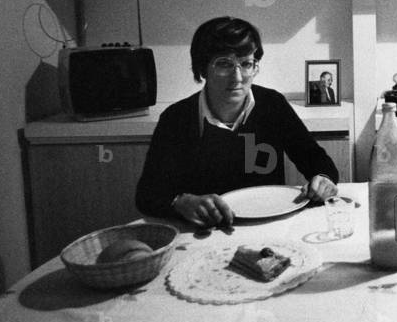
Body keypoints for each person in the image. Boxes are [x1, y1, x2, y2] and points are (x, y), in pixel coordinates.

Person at [135, 17, 339, 227]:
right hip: (204, 231)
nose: (237, 77)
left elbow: (317, 161)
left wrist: (323, 179)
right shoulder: (176, 118)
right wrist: (180, 202)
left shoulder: (273, 105)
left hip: (269, 225)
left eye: (246, 64)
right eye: (224, 64)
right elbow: (147, 195)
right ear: (202, 68)